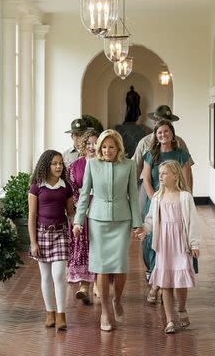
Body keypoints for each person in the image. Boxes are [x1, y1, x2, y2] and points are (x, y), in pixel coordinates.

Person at [73, 130, 142, 331]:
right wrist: (78, 221)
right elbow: (84, 194)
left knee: (120, 266)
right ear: (99, 148)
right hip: (98, 221)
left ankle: (117, 300)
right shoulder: (92, 164)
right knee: (101, 267)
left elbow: (133, 196)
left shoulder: (128, 165)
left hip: (122, 220)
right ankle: (104, 311)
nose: (107, 150)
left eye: (111, 147)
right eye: (103, 147)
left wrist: (137, 223)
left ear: (118, 147)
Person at [138, 160, 200, 334]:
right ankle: (170, 319)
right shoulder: (158, 196)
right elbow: (151, 219)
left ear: (175, 175)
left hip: (180, 242)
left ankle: (181, 309)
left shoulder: (185, 197)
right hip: (164, 243)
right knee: (165, 282)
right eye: (160, 173)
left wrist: (194, 243)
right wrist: (145, 231)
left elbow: (193, 221)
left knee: (180, 281)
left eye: (164, 173)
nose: (161, 176)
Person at [141, 120, 192, 303]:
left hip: (176, 204)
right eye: (159, 132)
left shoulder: (182, 155)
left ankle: (159, 286)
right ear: (155, 135)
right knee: (154, 243)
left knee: (172, 244)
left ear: (172, 133)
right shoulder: (150, 155)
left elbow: (187, 183)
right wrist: (157, 199)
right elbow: (146, 180)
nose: (163, 135)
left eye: (166, 131)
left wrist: (186, 204)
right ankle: (156, 281)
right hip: (155, 201)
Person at [28, 150, 75, 331]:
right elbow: (32, 216)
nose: (58, 167)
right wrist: (33, 242)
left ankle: (61, 315)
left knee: (58, 275)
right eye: (54, 163)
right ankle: (50, 313)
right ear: (46, 165)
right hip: (41, 235)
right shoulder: (36, 186)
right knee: (46, 276)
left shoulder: (66, 187)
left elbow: (70, 212)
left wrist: (76, 224)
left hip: (61, 234)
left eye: (60, 164)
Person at [67, 129, 99, 305]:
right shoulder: (74, 166)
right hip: (82, 211)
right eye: (88, 143)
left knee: (98, 247)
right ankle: (84, 286)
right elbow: (71, 189)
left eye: (95, 143)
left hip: (101, 212)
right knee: (82, 247)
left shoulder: (105, 164)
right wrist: (80, 207)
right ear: (83, 145)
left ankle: (97, 284)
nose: (92, 147)